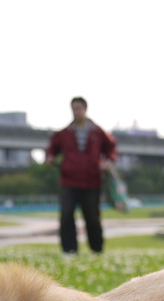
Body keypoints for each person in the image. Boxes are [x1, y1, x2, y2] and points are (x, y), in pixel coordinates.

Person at [45, 96, 117, 254]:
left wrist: (108, 161)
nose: (76, 112)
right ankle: (69, 250)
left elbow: (111, 148)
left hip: (91, 181)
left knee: (92, 217)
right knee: (66, 215)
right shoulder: (64, 133)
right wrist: (49, 157)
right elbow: (52, 148)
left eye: (78, 108)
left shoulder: (97, 132)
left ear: (85, 109)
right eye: (73, 109)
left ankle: (96, 249)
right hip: (68, 181)